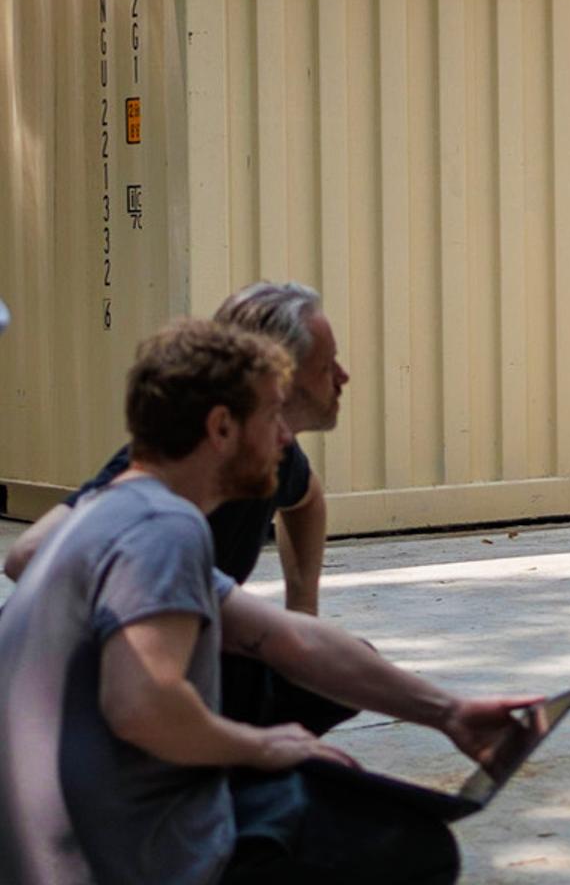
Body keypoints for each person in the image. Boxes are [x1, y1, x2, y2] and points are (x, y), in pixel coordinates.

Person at [0, 318, 533, 885]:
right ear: (222, 428)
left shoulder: (114, 512)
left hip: (79, 839)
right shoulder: (164, 528)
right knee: (407, 847)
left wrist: (448, 712)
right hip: (128, 861)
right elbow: (142, 705)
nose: (285, 437)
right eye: (273, 416)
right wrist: (261, 745)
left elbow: (290, 640)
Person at [4, 281, 350, 732]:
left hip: (182, 658)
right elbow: (27, 555)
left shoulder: (271, 450)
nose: (343, 376)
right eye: (327, 366)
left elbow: (307, 500)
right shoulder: (166, 468)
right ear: (280, 377)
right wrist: (170, 601)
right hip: (77, 694)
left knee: (332, 672)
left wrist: (301, 611)